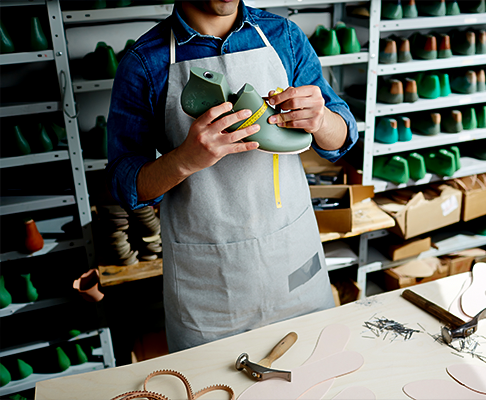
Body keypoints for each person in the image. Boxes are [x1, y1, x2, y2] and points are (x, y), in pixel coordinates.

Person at [106, 0, 358, 353]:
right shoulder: (145, 62)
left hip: (293, 261)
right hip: (209, 287)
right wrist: (185, 159)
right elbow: (124, 184)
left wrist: (321, 120)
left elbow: (343, 138)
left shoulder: (282, 36)